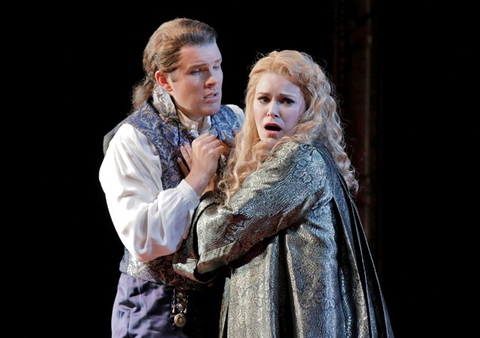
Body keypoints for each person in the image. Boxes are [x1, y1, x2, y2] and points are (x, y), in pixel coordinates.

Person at [173, 49, 394, 337]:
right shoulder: (291, 160)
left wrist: (207, 184)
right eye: (263, 99)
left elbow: (216, 235)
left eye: (286, 101)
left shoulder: (300, 159)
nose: (272, 110)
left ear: (307, 110)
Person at [99, 17, 244, 337]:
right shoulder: (134, 139)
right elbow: (143, 240)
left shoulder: (234, 120)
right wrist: (195, 181)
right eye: (197, 71)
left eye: (217, 66)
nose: (213, 81)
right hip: (159, 311)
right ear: (164, 80)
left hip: (224, 308)